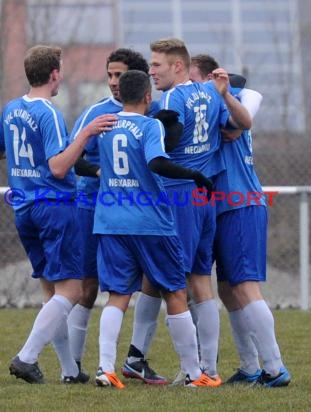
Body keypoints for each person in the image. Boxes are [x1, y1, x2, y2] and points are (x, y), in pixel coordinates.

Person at [124, 38, 252, 386]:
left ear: (178, 66)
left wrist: (158, 126)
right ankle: (208, 369)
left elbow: (168, 141)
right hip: (205, 195)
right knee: (199, 281)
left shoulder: (173, 99)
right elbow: (241, 125)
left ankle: (191, 371)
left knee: (172, 284)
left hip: (179, 196)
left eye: (157, 65)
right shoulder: (210, 93)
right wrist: (225, 95)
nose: (151, 72)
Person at [0, 44, 117, 384]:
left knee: (53, 293)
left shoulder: (12, 108)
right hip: (54, 208)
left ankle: (70, 371)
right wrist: (87, 133)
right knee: (72, 291)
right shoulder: (49, 113)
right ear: (55, 74)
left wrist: (23, 159)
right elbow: (59, 167)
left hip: (24, 208)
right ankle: (26, 357)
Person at [93, 69, 219, 389]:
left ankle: (105, 369)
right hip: (149, 222)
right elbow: (157, 163)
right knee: (175, 292)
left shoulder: (106, 126)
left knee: (118, 296)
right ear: (148, 97)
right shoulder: (150, 126)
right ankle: (195, 374)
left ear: (120, 94)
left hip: (110, 221)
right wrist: (194, 174)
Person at [66, 48, 167, 384]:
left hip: (140, 213)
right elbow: (72, 158)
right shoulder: (96, 113)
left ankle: (135, 358)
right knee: (90, 284)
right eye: (109, 75)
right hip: (94, 206)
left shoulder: (154, 113)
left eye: (119, 75)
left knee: (152, 283)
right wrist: (101, 173)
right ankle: (74, 366)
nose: (113, 82)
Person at [190, 54, 292, 387]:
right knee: (227, 290)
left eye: (195, 81)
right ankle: (249, 366)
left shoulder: (226, 108)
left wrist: (224, 94)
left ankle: (275, 368)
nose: (191, 89)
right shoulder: (211, 108)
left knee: (246, 287)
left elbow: (248, 105)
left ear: (211, 80)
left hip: (240, 204)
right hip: (220, 207)